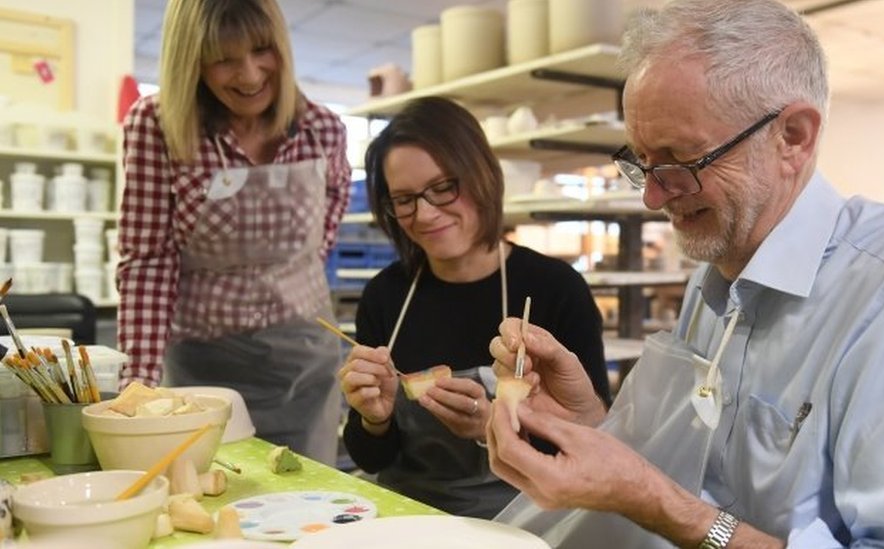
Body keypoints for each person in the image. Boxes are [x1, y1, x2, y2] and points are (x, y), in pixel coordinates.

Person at [485, 0, 884, 546]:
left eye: (680, 162)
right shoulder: (713, 275)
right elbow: (698, 478)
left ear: (793, 136)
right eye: (643, 162)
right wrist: (589, 426)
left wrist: (655, 502)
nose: (652, 197)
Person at [339, 96, 611, 518]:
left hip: (521, 518)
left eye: (443, 187)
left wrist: (494, 429)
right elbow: (372, 459)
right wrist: (373, 419)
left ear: (480, 174)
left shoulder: (554, 288)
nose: (425, 214)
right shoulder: (385, 294)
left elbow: (595, 442)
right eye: (405, 199)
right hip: (408, 515)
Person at [116, 0, 351, 464]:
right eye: (224, 58)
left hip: (305, 366)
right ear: (192, 61)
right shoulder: (157, 126)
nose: (249, 74)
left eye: (262, 49)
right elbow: (148, 262)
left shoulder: (321, 129)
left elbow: (324, 233)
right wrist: (137, 391)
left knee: (308, 509)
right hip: (204, 370)